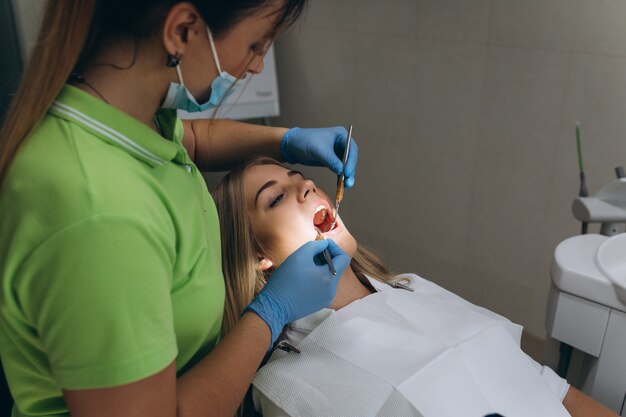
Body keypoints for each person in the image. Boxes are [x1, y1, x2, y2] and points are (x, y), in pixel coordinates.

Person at [0, 1, 359, 416]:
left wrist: (285, 140)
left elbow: (190, 139)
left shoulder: (129, 112)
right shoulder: (97, 213)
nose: (258, 65)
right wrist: (270, 312)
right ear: (183, 30)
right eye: (256, 44)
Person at [212, 157, 620, 417]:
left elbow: (552, 388)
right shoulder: (283, 384)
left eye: (300, 178)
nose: (306, 187)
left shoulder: (412, 287)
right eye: (276, 198)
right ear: (257, 257)